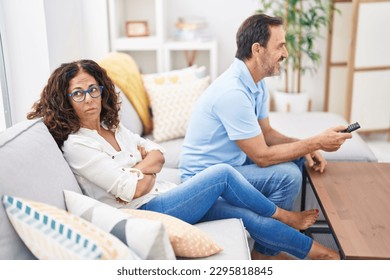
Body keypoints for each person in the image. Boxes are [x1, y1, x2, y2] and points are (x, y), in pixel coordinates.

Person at [27, 59, 339, 260]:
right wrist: (142, 171)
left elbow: (158, 154)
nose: (89, 99)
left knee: (245, 217)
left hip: (161, 194)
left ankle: (322, 255)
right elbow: (131, 191)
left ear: (102, 90)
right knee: (222, 174)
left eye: (93, 89)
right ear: (65, 100)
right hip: (146, 209)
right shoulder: (77, 146)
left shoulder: (113, 126)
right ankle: (284, 216)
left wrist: (139, 171)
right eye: (78, 93)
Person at [179, 14, 352, 221]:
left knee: (297, 156)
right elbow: (262, 157)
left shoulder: (257, 82)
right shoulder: (232, 92)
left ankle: (271, 233)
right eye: (280, 46)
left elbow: (267, 133)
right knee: (288, 176)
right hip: (204, 179)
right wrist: (316, 142)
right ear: (257, 49)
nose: (286, 53)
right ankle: (266, 249)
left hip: (232, 164)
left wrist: (308, 146)